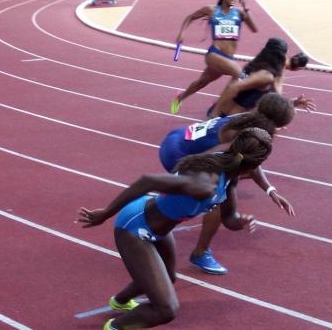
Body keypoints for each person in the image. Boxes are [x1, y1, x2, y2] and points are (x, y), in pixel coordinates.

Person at [79, 128, 273, 329]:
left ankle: (120, 301)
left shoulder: (230, 173)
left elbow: (229, 219)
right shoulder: (204, 184)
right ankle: (114, 326)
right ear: (253, 164)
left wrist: (241, 221)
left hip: (160, 228)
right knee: (166, 310)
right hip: (135, 227)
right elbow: (148, 180)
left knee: (169, 278)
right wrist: (105, 213)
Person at [159, 93, 295, 274]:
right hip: (179, 154)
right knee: (213, 198)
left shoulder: (249, 119)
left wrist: (270, 190)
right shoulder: (243, 139)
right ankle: (198, 252)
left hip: (179, 136)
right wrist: (181, 176)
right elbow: (236, 159)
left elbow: (251, 160)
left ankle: (157, 218)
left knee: (226, 184)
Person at [171, 0, 257, 114]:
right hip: (214, 54)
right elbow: (190, 17)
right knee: (241, 76)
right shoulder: (211, 10)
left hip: (229, 58)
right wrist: (182, 33)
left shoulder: (239, 13)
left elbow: (254, 29)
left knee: (201, 82)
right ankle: (218, 107)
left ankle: (180, 98)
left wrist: (246, 8)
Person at [210, 38, 315, 118]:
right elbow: (276, 101)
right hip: (226, 120)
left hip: (223, 114)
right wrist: (213, 117)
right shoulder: (268, 76)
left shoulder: (258, 64)